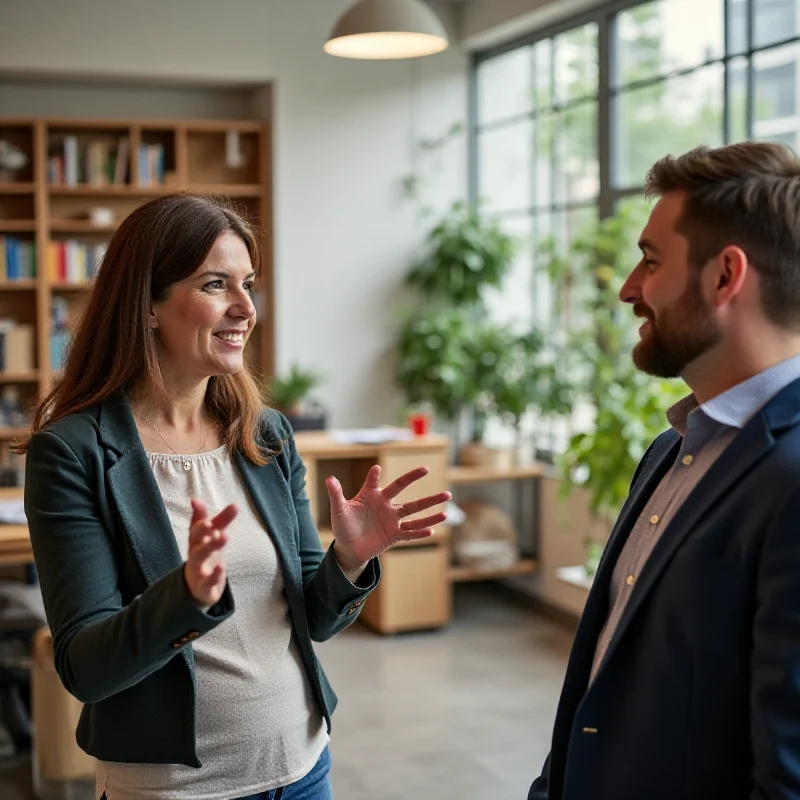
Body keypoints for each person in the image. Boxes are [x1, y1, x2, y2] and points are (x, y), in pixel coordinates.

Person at [21, 194, 451, 800]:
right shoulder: (72, 452)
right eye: (215, 284)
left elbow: (315, 620)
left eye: (248, 284)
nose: (245, 308)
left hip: (302, 769)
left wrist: (348, 560)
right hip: (172, 790)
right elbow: (86, 669)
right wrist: (187, 597)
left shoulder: (264, 434)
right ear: (146, 304)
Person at [529, 141, 800, 800]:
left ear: (724, 276)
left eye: (650, 261)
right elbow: (600, 685)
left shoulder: (792, 481)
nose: (628, 289)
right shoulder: (667, 451)